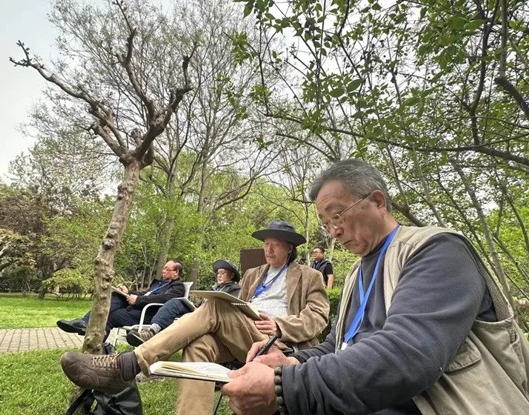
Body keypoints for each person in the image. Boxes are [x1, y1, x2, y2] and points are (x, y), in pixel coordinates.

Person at [221, 159, 529, 415]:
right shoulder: (357, 272)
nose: (335, 231)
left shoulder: (437, 249)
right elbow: (338, 344)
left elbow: (406, 354)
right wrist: (291, 361)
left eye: (338, 215)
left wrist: (285, 385)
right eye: (326, 224)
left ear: (378, 201)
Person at [60, 220, 330, 415]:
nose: (268, 250)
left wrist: (280, 327)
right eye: (266, 244)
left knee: (216, 307)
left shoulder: (309, 276)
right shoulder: (253, 275)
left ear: (290, 249)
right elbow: (243, 305)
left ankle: (129, 364)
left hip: (277, 341)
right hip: (246, 335)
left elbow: (319, 316)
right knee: (199, 344)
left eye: (275, 245)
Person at [126, 259, 241, 346]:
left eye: (223, 273)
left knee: (176, 302)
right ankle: (152, 331)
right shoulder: (213, 288)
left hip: (212, 317)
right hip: (199, 311)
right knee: (176, 302)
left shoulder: (235, 289)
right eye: (218, 273)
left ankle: (152, 333)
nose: (219, 275)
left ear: (231, 275)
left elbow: (228, 308)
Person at [56, 260, 185, 336]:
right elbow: (144, 294)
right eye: (163, 268)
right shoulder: (158, 284)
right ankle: (85, 322)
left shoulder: (178, 287)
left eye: (167, 269)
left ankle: (95, 341)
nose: (163, 271)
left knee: (109, 317)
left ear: (176, 272)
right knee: (117, 296)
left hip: (147, 314)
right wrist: (128, 292)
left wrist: (138, 301)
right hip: (135, 310)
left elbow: (164, 299)